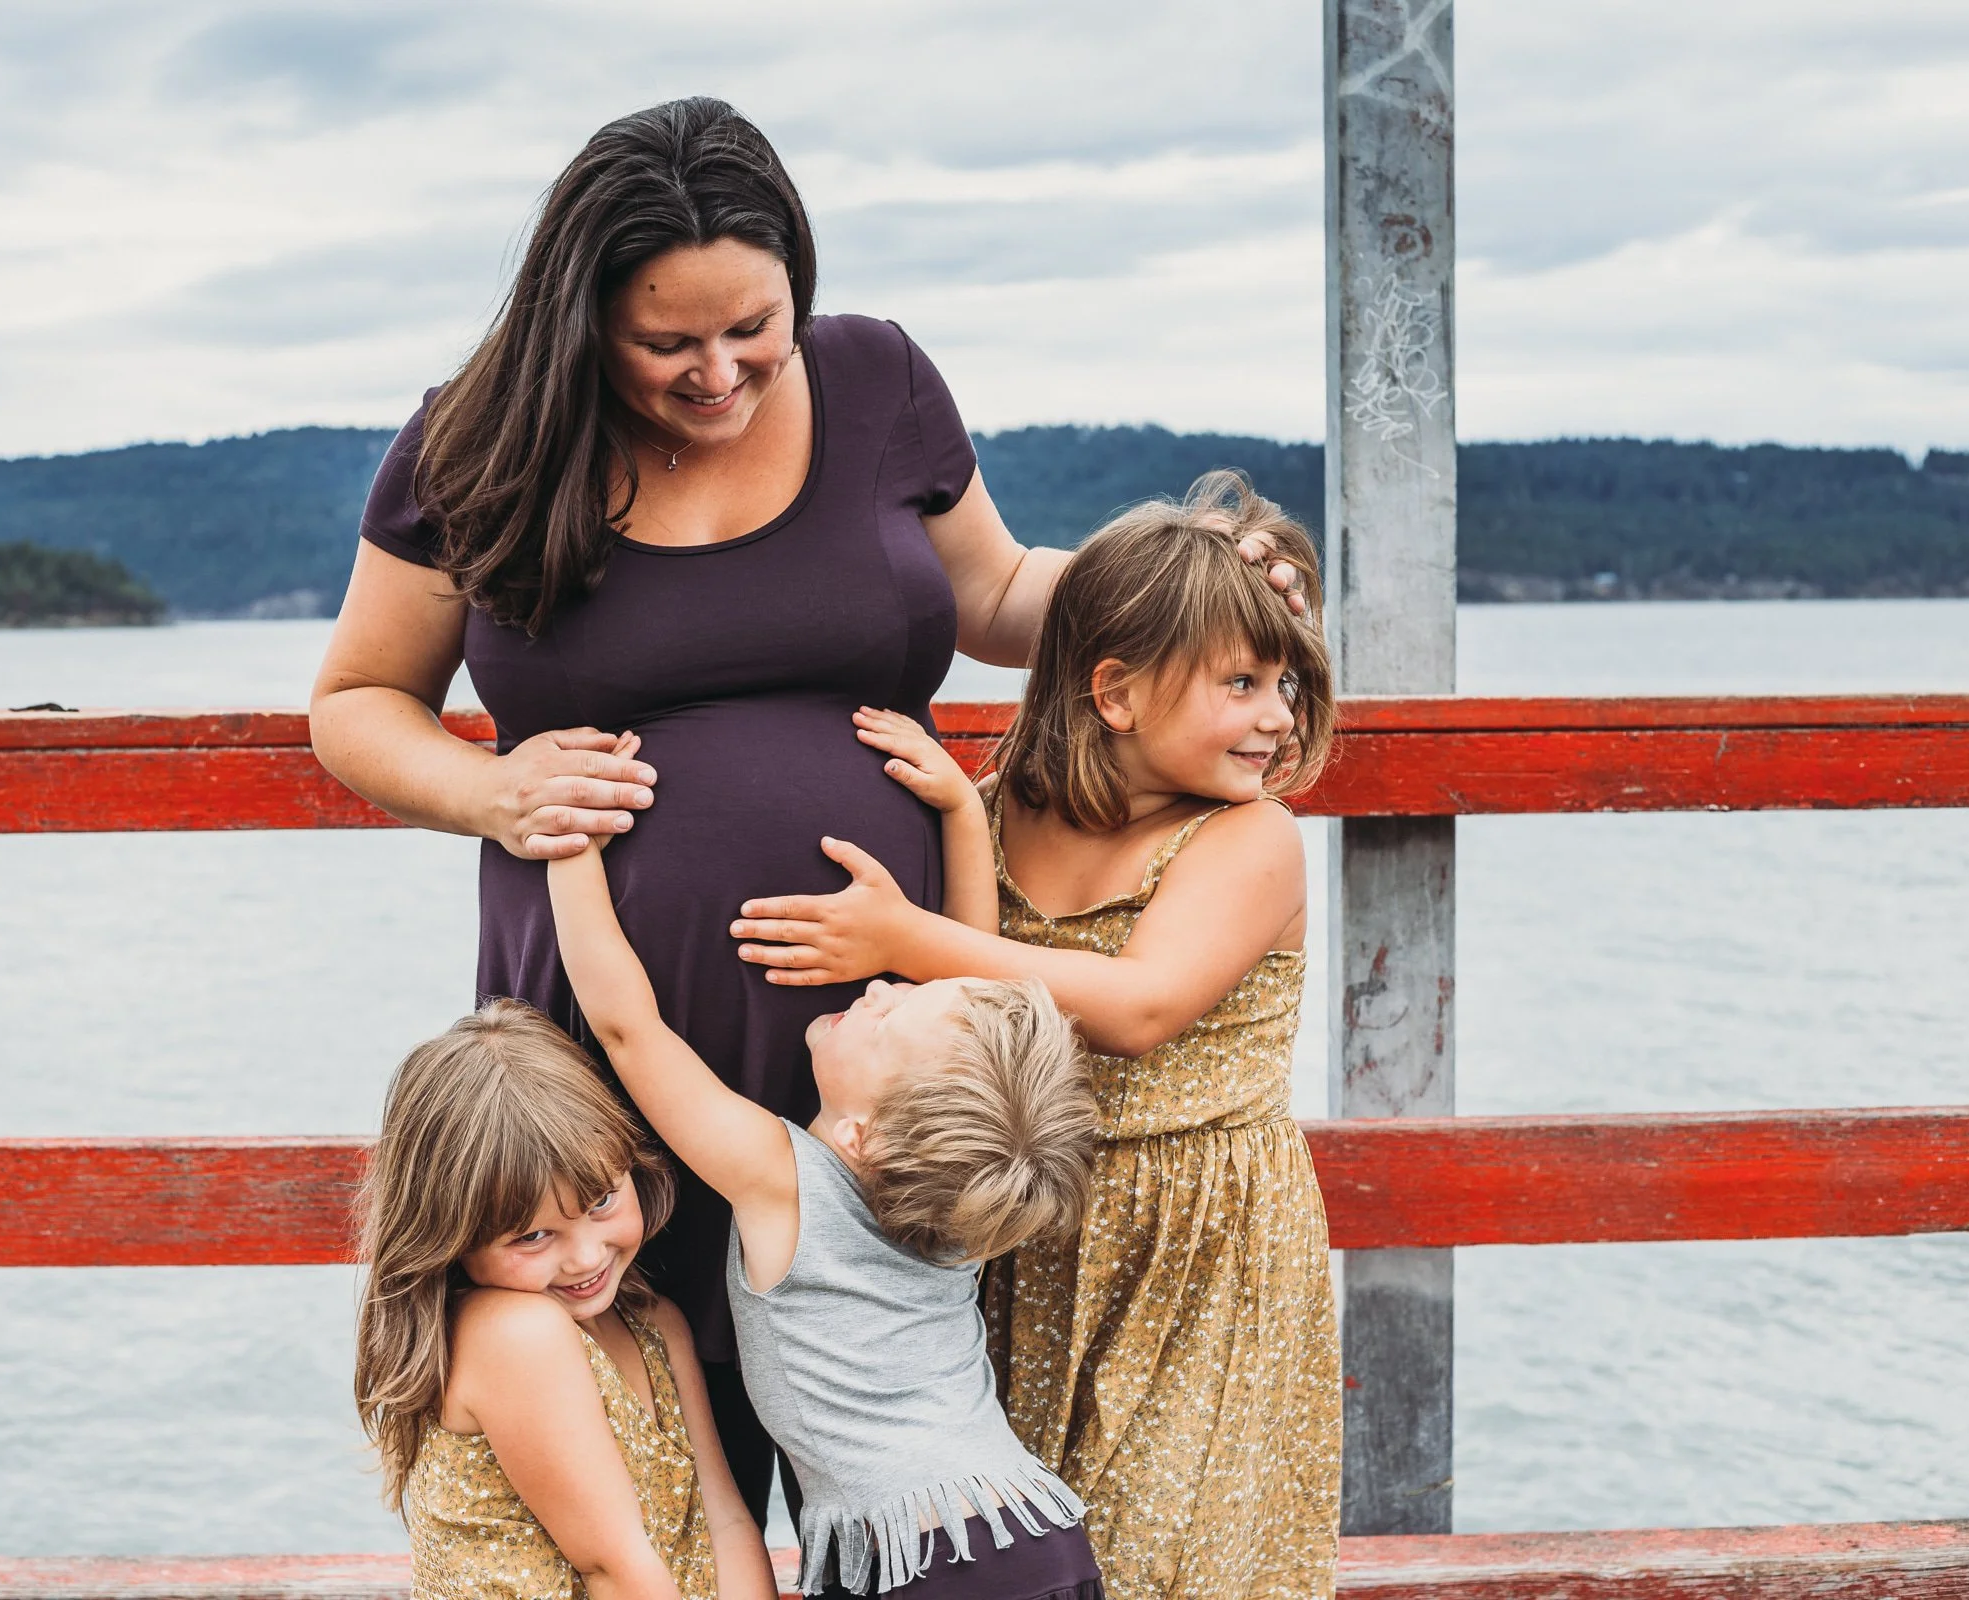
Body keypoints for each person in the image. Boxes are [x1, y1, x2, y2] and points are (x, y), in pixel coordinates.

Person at [309, 95, 1301, 1509]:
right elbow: (356, 703)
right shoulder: (476, 440)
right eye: (667, 342)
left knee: (890, 1433)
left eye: (753, 330)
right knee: (642, 1439)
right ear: (581, 319)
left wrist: (1192, 582)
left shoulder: (878, 381)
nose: (720, 373)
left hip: (882, 1054)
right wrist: (494, 788)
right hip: (610, 1020)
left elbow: (1000, 592)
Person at [728, 472, 1343, 1598]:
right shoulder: (1011, 802)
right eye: (1244, 682)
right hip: (1014, 1227)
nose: (1279, 717)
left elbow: (1141, 1007)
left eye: (1287, 684)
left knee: (1173, 1547)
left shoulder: (1251, 839)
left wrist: (901, 936)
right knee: (1027, 1541)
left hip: (1192, 1247)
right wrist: (956, 818)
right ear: (1116, 692)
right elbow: (982, 983)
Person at [543, 832, 1105, 1599]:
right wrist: (960, 819)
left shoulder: (784, 1182)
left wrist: (568, 844)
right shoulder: (964, 1211)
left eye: (887, 1022)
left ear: (862, 1137)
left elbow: (627, 1032)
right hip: (1036, 1537)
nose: (880, 991)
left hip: (923, 1565)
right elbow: (967, 981)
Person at [354, 1000, 773, 1600]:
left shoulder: (657, 1326)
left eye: (601, 1201)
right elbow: (612, 1568)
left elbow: (725, 1522)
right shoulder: (514, 1333)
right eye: (532, 1236)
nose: (584, 1257)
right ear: (452, 1235)